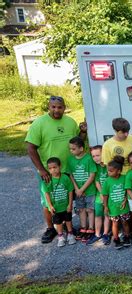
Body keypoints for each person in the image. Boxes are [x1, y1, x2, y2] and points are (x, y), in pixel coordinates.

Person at [25, 95, 87, 243]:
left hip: (68, 170)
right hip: (50, 172)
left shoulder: (70, 122)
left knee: (65, 199)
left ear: (64, 108)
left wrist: (83, 132)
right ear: (48, 107)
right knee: (48, 201)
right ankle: (50, 228)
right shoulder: (39, 123)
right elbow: (31, 148)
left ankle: (66, 226)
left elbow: (77, 143)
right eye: (53, 107)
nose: (56, 110)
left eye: (59, 107)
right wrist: (41, 169)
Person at [67, 136, 97, 242]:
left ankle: (91, 228)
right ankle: (83, 227)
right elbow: (71, 175)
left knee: (90, 209)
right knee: (81, 209)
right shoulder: (70, 159)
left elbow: (92, 175)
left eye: (73, 149)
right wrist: (77, 189)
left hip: (89, 190)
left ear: (81, 148)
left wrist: (82, 189)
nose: (71, 151)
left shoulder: (88, 158)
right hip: (78, 191)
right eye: (70, 149)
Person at [41, 157, 75, 248]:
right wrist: (50, 206)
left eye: (55, 167)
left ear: (60, 166)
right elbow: (46, 194)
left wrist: (70, 204)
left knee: (68, 220)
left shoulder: (65, 178)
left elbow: (70, 190)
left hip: (65, 205)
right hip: (56, 207)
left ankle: (70, 234)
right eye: (50, 168)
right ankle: (60, 236)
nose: (53, 170)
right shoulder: (48, 180)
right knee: (58, 222)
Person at [102, 156, 131, 250]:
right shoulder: (107, 181)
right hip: (113, 207)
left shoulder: (124, 178)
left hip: (123, 207)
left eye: (111, 171)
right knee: (115, 224)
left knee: (125, 222)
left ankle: (127, 237)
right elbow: (105, 195)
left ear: (118, 171)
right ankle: (116, 239)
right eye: (108, 170)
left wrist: (125, 200)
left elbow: (128, 190)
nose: (108, 172)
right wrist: (105, 206)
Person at [88, 145, 111, 246]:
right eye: (93, 156)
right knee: (98, 214)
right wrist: (101, 193)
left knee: (107, 214)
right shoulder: (95, 167)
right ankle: (97, 234)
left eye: (98, 155)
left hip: (110, 194)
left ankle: (106, 233)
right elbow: (96, 181)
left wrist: (106, 195)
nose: (96, 158)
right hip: (100, 194)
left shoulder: (108, 165)